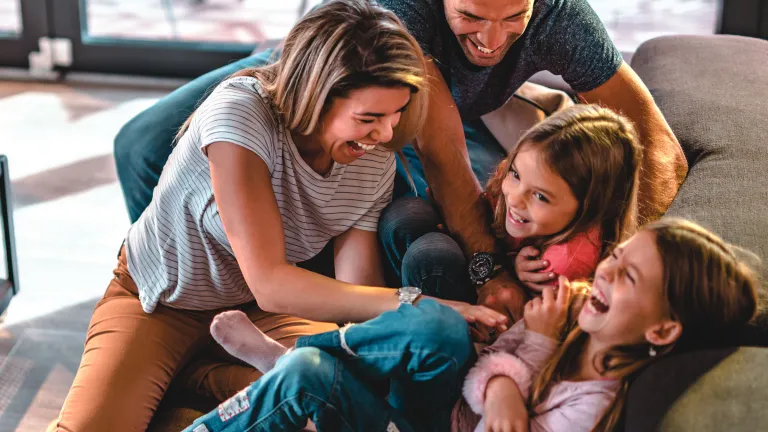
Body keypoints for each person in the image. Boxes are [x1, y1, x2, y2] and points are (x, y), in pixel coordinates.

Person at [50, 2, 507, 431]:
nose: (386, 133)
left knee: (335, 394)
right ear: (316, 95)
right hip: (162, 302)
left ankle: (201, 379)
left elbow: (355, 294)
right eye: (369, 117)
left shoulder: (371, 154)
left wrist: (412, 333)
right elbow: (270, 281)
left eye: (398, 113)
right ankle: (195, 379)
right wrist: (416, 303)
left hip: (260, 315)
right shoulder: (240, 114)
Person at [114, 0, 688, 321]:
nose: (493, 40)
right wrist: (490, 274)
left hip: (411, 113)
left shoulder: (563, 17)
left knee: (440, 200)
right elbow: (441, 157)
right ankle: (190, 298)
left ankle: (276, 289)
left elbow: (660, 146)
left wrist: (612, 255)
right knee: (141, 145)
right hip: (336, 74)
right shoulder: (404, 15)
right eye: (471, 16)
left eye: (514, 17)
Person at [182, 218, 759, 432]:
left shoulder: (592, 408)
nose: (605, 272)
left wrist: (523, 357)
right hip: (434, 407)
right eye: (617, 256)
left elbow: (495, 409)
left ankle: (285, 360)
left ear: (660, 331)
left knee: (311, 372)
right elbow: (483, 371)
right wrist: (510, 350)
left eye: (629, 278)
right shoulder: (574, 317)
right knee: (434, 325)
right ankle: (293, 355)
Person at [383, 105, 641, 305]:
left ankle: (416, 326)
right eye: (515, 174)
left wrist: (513, 273)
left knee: (430, 257)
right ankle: (391, 304)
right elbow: (489, 214)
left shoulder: (564, 264)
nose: (515, 198)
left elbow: (522, 321)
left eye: (540, 196)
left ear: (590, 208)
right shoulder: (516, 195)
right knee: (404, 215)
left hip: (492, 324)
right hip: (488, 265)